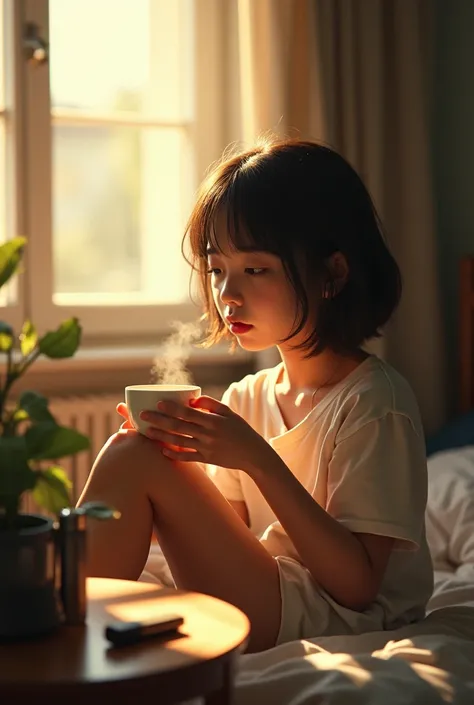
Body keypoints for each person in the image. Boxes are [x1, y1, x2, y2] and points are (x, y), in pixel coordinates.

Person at [78, 138, 433, 654]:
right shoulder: (249, 396)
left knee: (136, 459)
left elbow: (357, 588)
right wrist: (164, 479)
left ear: (331, 274)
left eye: (256, 269)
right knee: (135, 452)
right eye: (217, 269)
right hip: (268, 593)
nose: (227, 295)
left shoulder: (375, 403)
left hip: (334, 617)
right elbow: (226, 539)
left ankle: (62, 631)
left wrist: (257, 459)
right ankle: (65, 635)